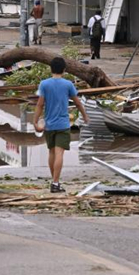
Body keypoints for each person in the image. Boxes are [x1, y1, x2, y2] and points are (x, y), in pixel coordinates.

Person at [33, 57, 89, 193]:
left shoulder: (44, 84)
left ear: (51, 69)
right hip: (63, 124)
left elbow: (40, 104)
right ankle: (55, 183)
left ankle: (55, 182)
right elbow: (77, 102)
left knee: (51, 152)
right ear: (64, 70)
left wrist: (35, 122)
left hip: (49, 125)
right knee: (59, 154)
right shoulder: (68, 84)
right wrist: (85, 116)